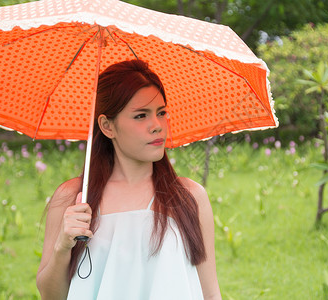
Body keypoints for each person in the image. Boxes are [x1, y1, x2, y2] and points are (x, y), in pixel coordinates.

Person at [36, 59, 221, 300]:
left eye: (161, 112)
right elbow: (51, 296)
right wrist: (63, 246)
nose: (157, 126)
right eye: (141, 115)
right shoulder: (74, 198)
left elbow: (210, 294)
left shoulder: (189, 196)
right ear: (106, 125)